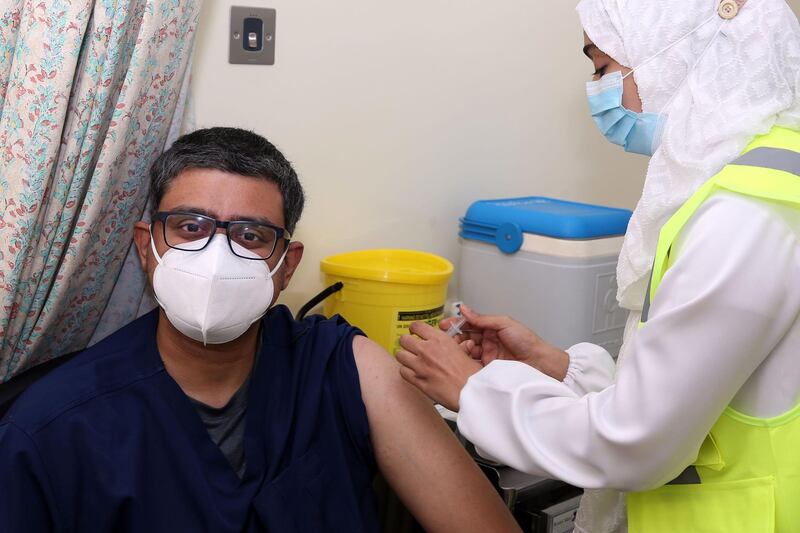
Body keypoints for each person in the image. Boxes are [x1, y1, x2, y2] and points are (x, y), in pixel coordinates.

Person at [396, 1, 800, 532]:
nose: (598, 92)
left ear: (672, 50)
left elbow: (639, 443)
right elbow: (694, 402)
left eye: (602, 66)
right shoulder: (753, 182)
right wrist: (559, 366)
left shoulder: (742, 215)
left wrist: (473, 391)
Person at [0, 127, 520, 533]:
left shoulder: (341, 369)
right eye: (190, 227)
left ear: (286, 267)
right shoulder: (52, 426)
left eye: (250, 235)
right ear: (146, 246)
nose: (217, 253)